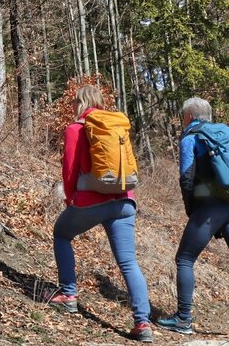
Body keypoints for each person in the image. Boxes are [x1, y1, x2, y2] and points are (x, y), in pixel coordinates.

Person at [46, 84, 153, 343]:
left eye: (74, 101)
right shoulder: (115, 127)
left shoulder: (75, 129)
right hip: (125, 202)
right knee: (128, 262)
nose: (72, 104)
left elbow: (69, 169)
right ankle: (143, 322)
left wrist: (70, 196)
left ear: (80, 102)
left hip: (90, 202)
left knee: (61, 233)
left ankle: (68, 295)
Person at [157, 97, 229, 335]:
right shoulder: (224, 133)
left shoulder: (191, 138)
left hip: (209, 209)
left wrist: (193, 211)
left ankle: (183, 319)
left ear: (188, 117)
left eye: (183, 117)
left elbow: (186, 178)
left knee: (185, 259)